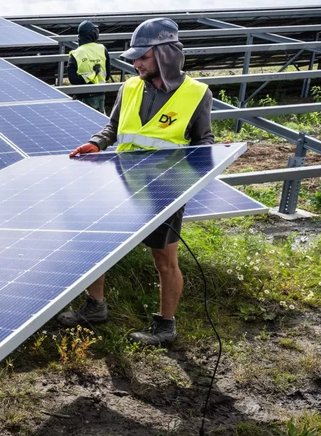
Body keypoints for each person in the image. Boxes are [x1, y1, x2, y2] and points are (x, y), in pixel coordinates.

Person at [58, 18, 214, 346]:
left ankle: (165, 326)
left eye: (143, 57)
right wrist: (96, 144)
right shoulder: (128, 88)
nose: (136, 64)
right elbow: (113, 128)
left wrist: (196, 172)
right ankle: (95, 306)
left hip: (165, 190)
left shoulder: (197, 93)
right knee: (97, 245)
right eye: (135, 58)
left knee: (164, 260)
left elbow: (203, 144)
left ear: (166, 55)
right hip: (122, 184)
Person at [67, 20, 110, 114]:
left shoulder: (75, 54)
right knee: (99, 120)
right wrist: (94, 74)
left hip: (82, 97)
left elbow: (73, 80)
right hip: (100, 94)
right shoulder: (102, 49)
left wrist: (88, 77)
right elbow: (107, 76)